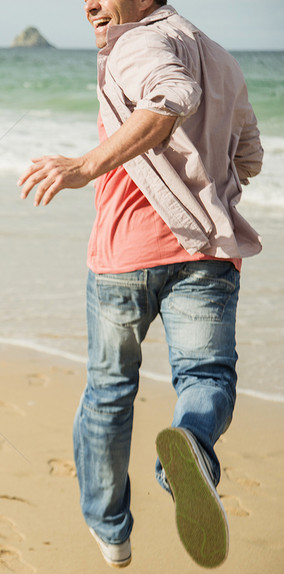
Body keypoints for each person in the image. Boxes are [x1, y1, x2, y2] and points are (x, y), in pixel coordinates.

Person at [18, 0, 262, 569]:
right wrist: (204, 178)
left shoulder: (135, 44)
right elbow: (247, 157)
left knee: (109, 391)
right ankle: (192, 450)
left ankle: (111, 530)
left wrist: (83, 167)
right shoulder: (224, 59)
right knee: (206, 378)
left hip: (126, 253)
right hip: (208, 254)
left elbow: (171, 96)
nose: (90, 6)